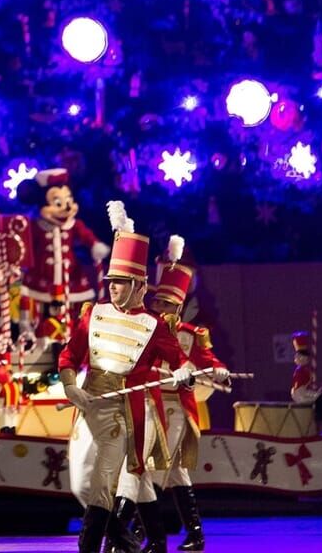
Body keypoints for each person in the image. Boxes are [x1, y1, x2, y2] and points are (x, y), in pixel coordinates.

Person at [59, 203, 194, 553]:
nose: (113, 288)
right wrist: (71, 385)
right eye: (111, 282)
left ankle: (93, 546)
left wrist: (184, 371)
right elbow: (69, 355)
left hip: (124, 413)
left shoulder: (154, 325)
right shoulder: (93, 314)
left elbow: (179, 359)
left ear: (139, 286)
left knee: (107, 484)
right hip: (89, 405)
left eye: (120, 283)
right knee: (80, 485)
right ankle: (126, 540)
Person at [124, 239, 228, 553]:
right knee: (171, 472)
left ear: (179, 308)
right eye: (157, 303)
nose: (160, 309)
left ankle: (138, 533)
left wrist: (219, 371)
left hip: (176, 410)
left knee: (156, 469)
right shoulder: (143, 330)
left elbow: (211, 361)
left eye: (167, 305)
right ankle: (193, 535)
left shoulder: (192, 335)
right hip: (149, 405)